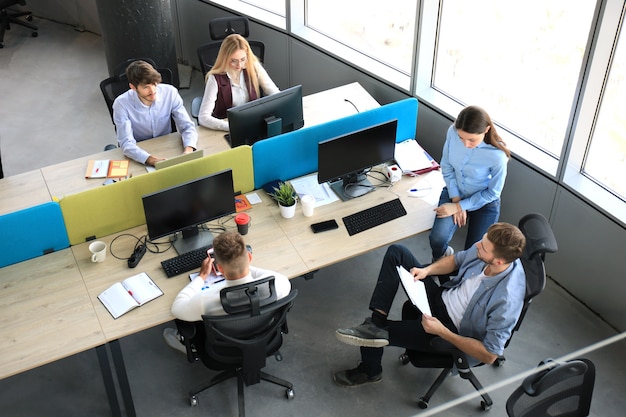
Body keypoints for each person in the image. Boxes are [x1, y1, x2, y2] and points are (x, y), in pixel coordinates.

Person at [333, 222, 526, 387]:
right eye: (481, 241)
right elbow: (456, 260)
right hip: (441, 298)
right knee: (397, 253)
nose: (477, 247)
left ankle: (370, 369)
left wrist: (443, 332)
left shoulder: (506, 301)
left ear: (499, 261)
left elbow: (490, 354)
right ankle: (376, 323)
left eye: (483, 248)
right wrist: (429, 271)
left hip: (450, 330)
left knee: (376, 333)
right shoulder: (486, 249)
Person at [163, 230, 291, 353]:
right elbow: (268, 274)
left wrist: (202, 277)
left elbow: (177, 308)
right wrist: (241, 264)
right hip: (265, 338)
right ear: (250, 257)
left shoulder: (205, 301)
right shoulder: (278, 284)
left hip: (223, 349)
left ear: (219, 268)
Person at [430, 105, 511, 261]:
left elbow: (493, 193)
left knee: (475, 254)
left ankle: (462, 279)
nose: (465, 144)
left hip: (484, 202)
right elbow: (446, 167)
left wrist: (459, 207)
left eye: (471, 140)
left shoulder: (498, 156)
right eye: (461, 138)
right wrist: (456, 200)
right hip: (456, 192)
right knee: (437, 238)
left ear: (486, 130)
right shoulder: (452, 132)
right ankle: (439, 262)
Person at [112, 60, 198, 166]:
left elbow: (187, 126)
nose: (152, 91)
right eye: (146, 87)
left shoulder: (170, 93)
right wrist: (150, 160)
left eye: (154, 84)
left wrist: (188, 151)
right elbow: (126, 143)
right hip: (140, 152)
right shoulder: (121, 104)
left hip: (168, 146)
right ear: (133, 87)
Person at [197, 33, 280, 131]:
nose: (239, 65)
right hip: (228, 128)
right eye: (234, 61)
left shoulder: (253, 67)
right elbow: (203, 117)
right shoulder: (214, 78)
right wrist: (230, 127)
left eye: (243, 59)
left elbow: (276, 94)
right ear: (225, 58)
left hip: (253, 124)